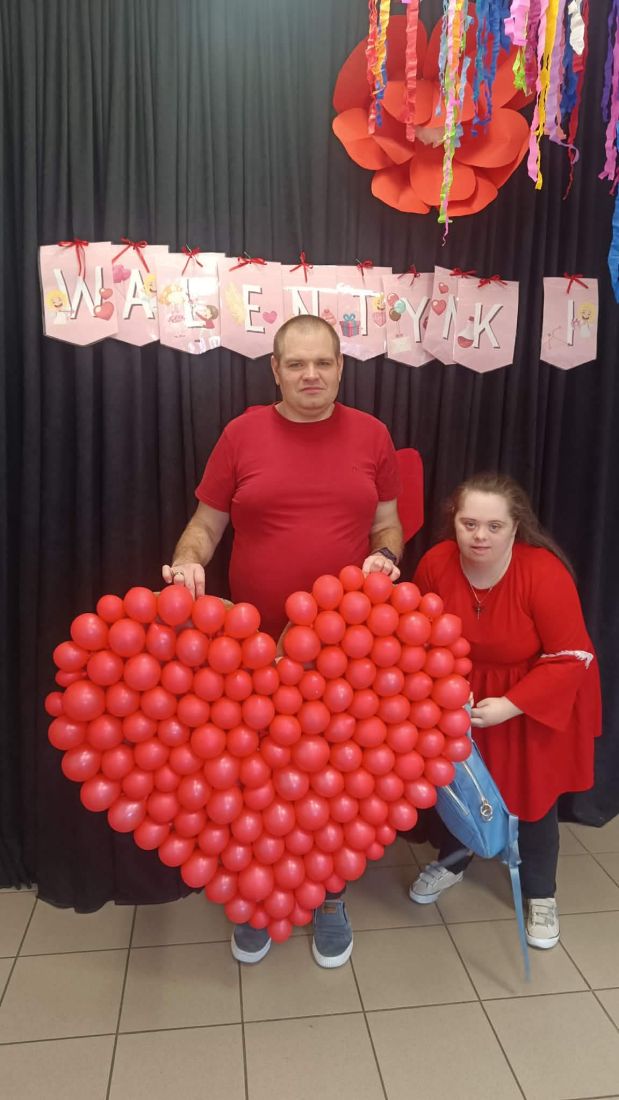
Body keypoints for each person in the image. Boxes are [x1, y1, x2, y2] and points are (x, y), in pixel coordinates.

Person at [162, 313, 405, 967]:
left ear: (341, 367)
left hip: (345, 650)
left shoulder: (373, 435)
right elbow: (205, 526)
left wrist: (386, 558)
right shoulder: (241, 434)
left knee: (333, 780)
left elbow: (388, 525)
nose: (310, 375)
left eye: (323, 363)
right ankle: (254, 894)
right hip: (250, 650)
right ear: (274, 369)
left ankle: (328, 894)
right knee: (252, 776)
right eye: (296, 364)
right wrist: (187, 560)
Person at [408, 473, 602, 950]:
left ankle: (540, 893)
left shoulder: (543, 572)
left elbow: (573, 655)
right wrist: (442, 686)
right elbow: (416, 634)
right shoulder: (435, 563)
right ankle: (455, 859)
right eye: (469, 523)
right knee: (459, 788)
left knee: (533, 800)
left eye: (494, 526)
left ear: (516, 526)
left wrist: (512, 706)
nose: (480, 536)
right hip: (459, 695)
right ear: (453, 521)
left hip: (531, 697)